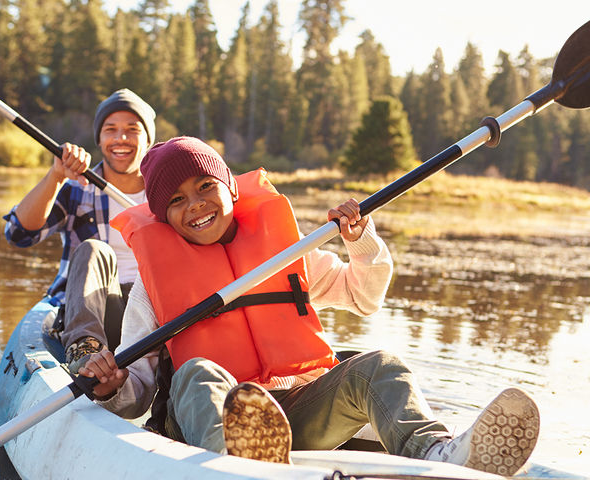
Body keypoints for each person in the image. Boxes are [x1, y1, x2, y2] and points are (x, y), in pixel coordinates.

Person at [78, 137, 539, 476]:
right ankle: (234, 466)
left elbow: (363, 295)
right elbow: (135, 392)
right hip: (207, 422)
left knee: (380, 365)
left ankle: (438, 455)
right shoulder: (151, 290)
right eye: (176, 201)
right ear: (162, 218)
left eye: (204, 187)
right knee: (197, 369)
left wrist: (359, 242)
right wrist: (113, 383)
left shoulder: (285, 254)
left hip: (297, 411)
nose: (195, 205)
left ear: (231, 190)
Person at [3, 88, 156, 373]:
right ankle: (85, 349)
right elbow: (18, 234)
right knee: (94, 249)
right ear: (99, 139)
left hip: (151, 316)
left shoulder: (166, 197)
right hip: (96, 311)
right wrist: (57, 176)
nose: (120, 138)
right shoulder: (76, 189)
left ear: (149, 140)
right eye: (111, 129)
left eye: (132, 130)